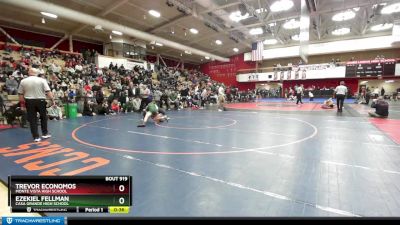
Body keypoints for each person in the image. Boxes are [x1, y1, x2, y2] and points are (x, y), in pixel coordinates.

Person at [18, 68, 55, 142]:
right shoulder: (42, 80)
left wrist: (22, 104)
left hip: (29, 101)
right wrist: (52, 100)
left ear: (29, 72)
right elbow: (48, 91)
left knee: (32, 119)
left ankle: (36, 137)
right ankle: (45, 134)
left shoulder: (23, 81)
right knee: (43, 117)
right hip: (41, 101)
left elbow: (20, 94)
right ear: (36, 73)